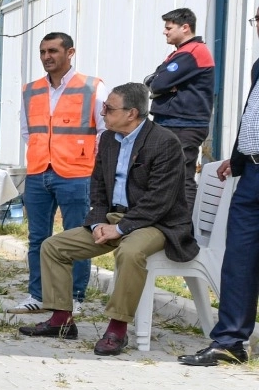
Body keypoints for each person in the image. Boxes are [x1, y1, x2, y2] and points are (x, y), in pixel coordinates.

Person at [20, 83, 195, 356]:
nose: (102, 113)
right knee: (54, 246)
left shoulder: (165, 142)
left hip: (157, 223)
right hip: (115, 217)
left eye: (109, 108)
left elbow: (159, 200)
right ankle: (61, 319)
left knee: (130, 251)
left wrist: (121, 228)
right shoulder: (109, 139)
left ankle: (117, 328)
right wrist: (98, 222)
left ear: (131, 113)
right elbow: (99, 187)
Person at [3, 33, 103, 314]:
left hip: (76, 174)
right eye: (43, 51)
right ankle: (38, 295)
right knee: (37, 238)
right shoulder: (31, 90)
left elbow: (104, 131)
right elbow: (27, 131)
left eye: (53, 51)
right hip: (38, 172)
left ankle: (74, 297)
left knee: (77, 238)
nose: (47, 56)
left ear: (70, 53)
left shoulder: (92, 87)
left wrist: (86, 160)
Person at [182, 29, 259, 367]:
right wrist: (239, 158)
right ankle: (230, 342)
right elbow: (252, 118)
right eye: (258, 19)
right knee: (239, 259)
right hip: (252, 174)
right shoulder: (258, 66)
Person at [145, 7, 215, 210]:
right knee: (164, 176)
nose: (164, 32)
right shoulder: (181, 53)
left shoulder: (192, 52)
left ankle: (183, 225)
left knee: (181, 177)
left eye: (169, 28)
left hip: (184, 124)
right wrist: (162, 83)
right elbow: (152, 79)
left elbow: (158, 83)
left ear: (185, 27)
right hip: (173, 122)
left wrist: (163, 83)